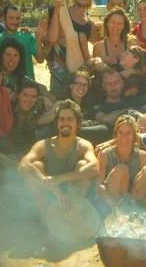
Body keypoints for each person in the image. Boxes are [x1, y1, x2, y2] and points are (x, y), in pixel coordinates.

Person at [19, 99, 101, 243]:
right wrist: (51, 185)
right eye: (61, 119)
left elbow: (95, 167)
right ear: (57, 123)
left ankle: (74, 220)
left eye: (70, 119)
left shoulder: (82, 145)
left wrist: (62, 178)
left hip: (72, 194)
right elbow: (23, 165)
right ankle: (47, 224)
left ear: (77, 124)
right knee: (35, 167)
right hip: (50, 194)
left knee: (84, 165)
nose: (65, 123)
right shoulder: (44, 144)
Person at [97, 115, 146, 202]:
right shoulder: (105, 155)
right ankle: (118, 210)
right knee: (121, 170)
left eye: (128, 133)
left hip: (135, 198)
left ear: (134, 135)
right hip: (113, 199)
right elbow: (98, 185)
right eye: (120, 133)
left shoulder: (143, 156)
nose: (124, 137)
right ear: (116, 134)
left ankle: (134, 208)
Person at [0, 4, 44, 80]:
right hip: (5, 87)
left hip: (27, 86)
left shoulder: (27, 36)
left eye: (17, 18)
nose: (14, 21)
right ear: (4, 19)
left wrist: (38, 40)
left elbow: (40, 60)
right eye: (11, 18)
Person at [0, 36, 29, 100]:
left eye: (15, 55)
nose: (11, 60)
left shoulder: (21, 79)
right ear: (1, 56)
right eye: (8, 55)